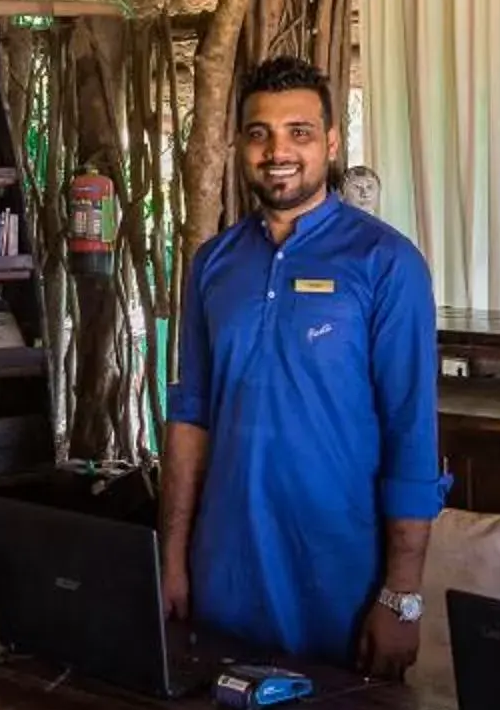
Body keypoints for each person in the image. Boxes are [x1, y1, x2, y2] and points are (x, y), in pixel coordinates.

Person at [162, 57, 441, 676]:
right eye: (259, 133)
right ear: (239, 144)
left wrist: (402, 594)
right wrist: (174, 558)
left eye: (299, 132)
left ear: (332, 143)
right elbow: (189, 417)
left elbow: (411, 437)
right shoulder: (213, 264)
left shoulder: (386, 264)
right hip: (223, 572)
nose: (277, 151)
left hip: (338, 578)